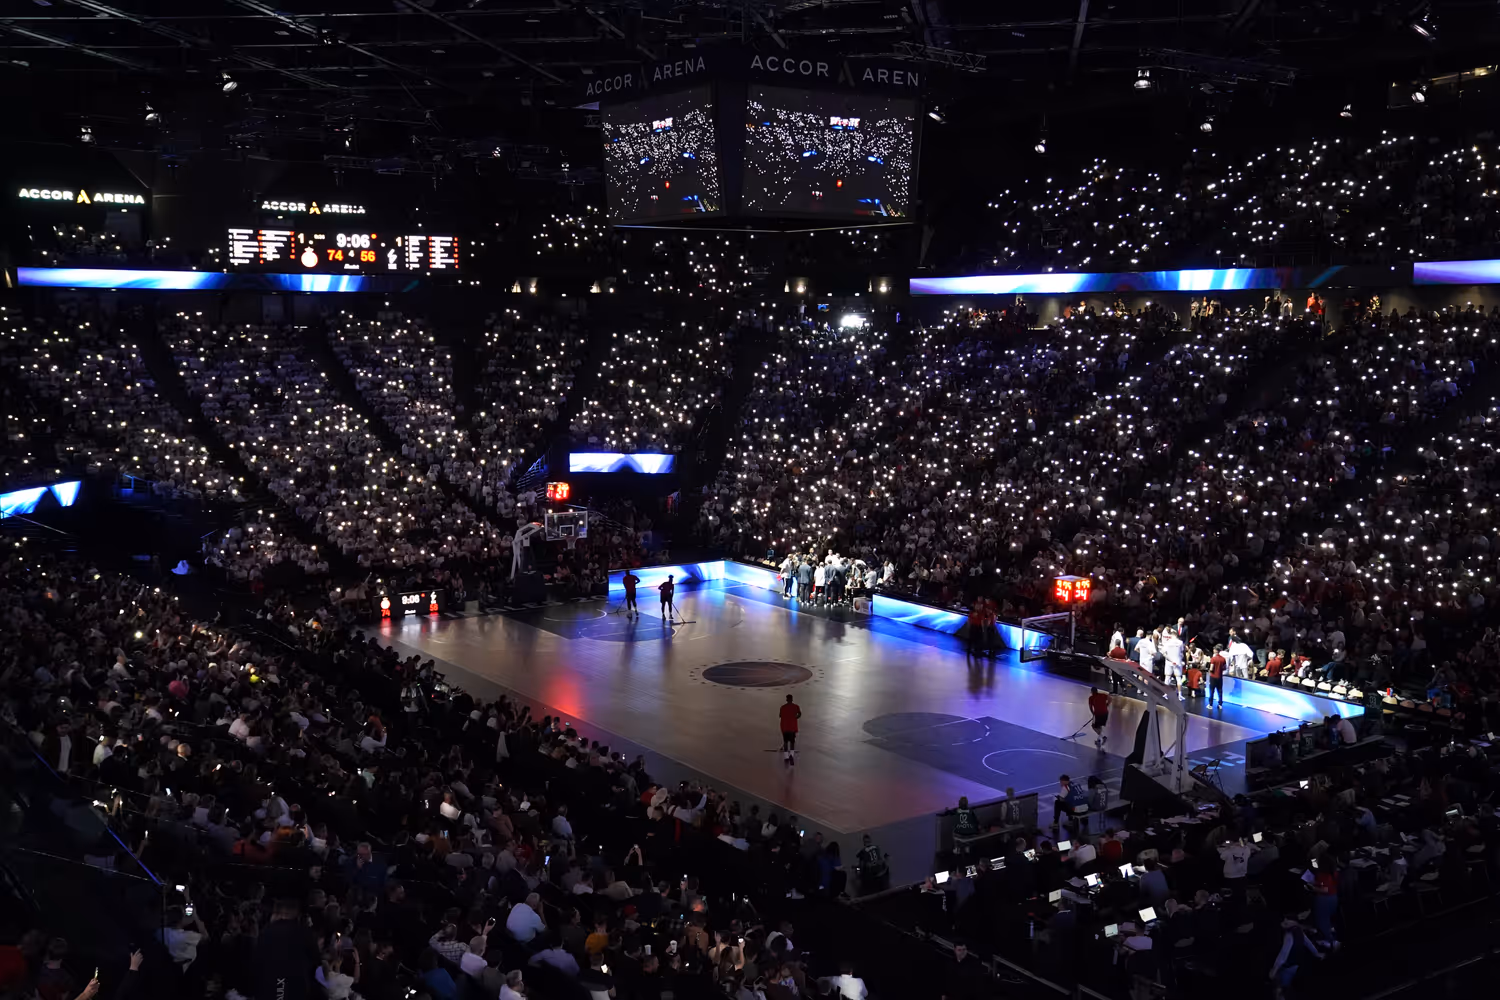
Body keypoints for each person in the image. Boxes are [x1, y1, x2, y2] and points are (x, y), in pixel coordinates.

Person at [779, 694, 801, 765]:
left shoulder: (782, 707)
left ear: (786, 699)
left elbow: (780, 715)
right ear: (792, 699)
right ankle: (791, 755)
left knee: (785, 742)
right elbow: (799, 714)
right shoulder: (796, 706)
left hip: (784, 727)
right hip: (792, 727)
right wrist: (795, 717)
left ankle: (786, 757)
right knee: (792, 742)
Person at [1207, 645, 1226, 709]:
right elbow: (1224, 668)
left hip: (1213, 677)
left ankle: (1210, 704)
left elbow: (1211, 668)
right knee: (1220, 691)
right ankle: (1220, 704)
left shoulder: (1213, 659)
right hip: (1220, 677)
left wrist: (1209, 671)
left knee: (1211, 691)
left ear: (1215, 650)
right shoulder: (1223, 659)